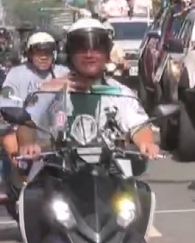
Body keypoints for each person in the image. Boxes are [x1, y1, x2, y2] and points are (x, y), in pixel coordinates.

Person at [15, 19, 159, 159]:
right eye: (81, 48)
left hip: (109, 171)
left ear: (107, 53)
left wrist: (146, 143)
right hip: (57, 171)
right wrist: (28, 145)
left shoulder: (120, 93)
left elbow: (138, 125)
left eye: (98, 48)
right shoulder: (49, 89)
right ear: (69, 53)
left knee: (135, 184)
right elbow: (27, 123)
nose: (89, 54)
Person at [0, 32, 70, 160]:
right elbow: (7, 101)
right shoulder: (16, 74)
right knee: (11, 140)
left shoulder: (64, 73)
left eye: (47, 53)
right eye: (39, 53)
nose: (43, 57)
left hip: (59, 129)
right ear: (30, 54)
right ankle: (26, 178)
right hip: (26, 128)